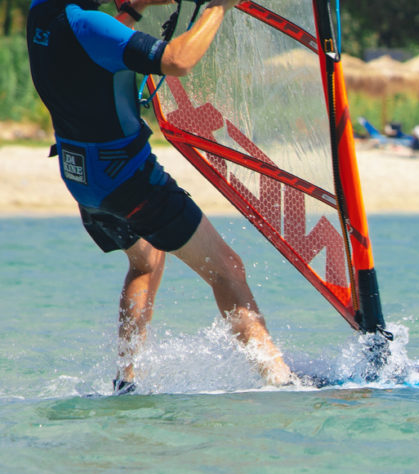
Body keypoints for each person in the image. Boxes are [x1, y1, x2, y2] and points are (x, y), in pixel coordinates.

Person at [27, 0, 294, 394]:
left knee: (146, 260)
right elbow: (177, 60)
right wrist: (217, 7)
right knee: (226, 269)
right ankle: (281, 380)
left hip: (82, 178)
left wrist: (133, 11)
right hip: (129, 179)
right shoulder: (90, 25)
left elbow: (90, 55)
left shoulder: (42, 13)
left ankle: (125, 379)